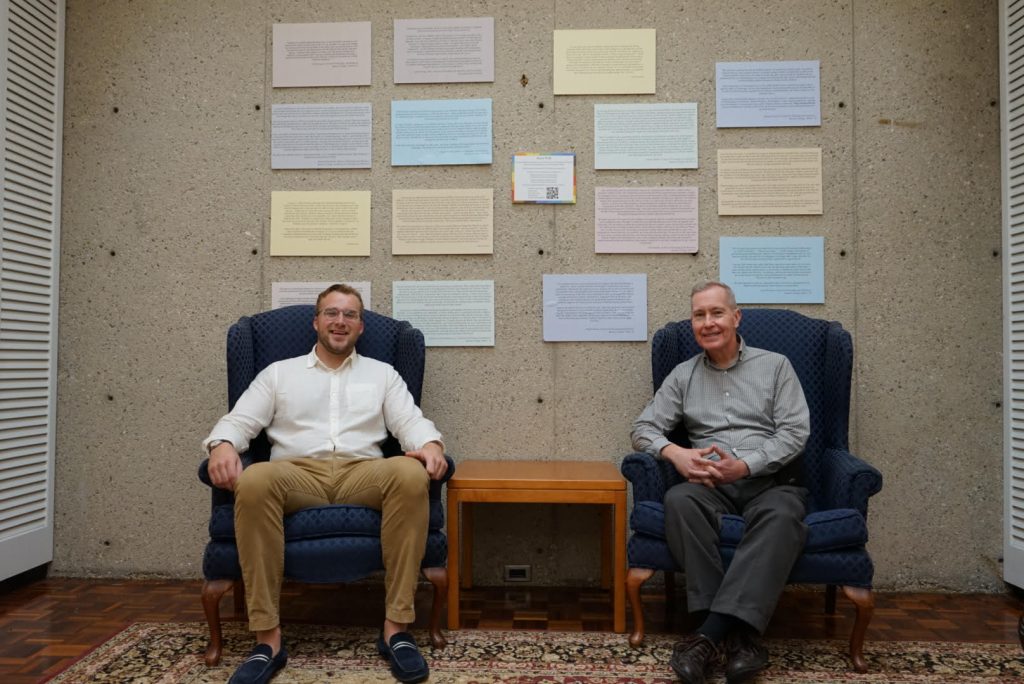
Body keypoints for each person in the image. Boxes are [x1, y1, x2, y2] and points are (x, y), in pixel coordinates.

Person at [203, 283, 447, 684]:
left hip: (361, 472)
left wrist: (431, 444)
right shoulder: (279, 373)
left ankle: (396, 631)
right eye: (332, 313)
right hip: (296, 473)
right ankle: (268, 640)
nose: (340, 321)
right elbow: (238, 420)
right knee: (256, 479)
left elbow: (411, 422)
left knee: (409, 471)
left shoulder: (382, 374)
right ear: (316, 322)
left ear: (361, 327)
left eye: (350, 314)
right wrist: (222, 445)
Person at [631, 281, 809, 684]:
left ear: (735, 317)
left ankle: (711, 634)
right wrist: (675, 453)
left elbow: (795, 433)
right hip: (710, 486)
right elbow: (642, 428)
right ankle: (739, 637)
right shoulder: (683, 375)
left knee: (783, 518)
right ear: (692, 322)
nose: (708, 323)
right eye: (699, 315)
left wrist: (744, 466)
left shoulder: (776, 365)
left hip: (771, 481)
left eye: (716, 313)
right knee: (679, 501)